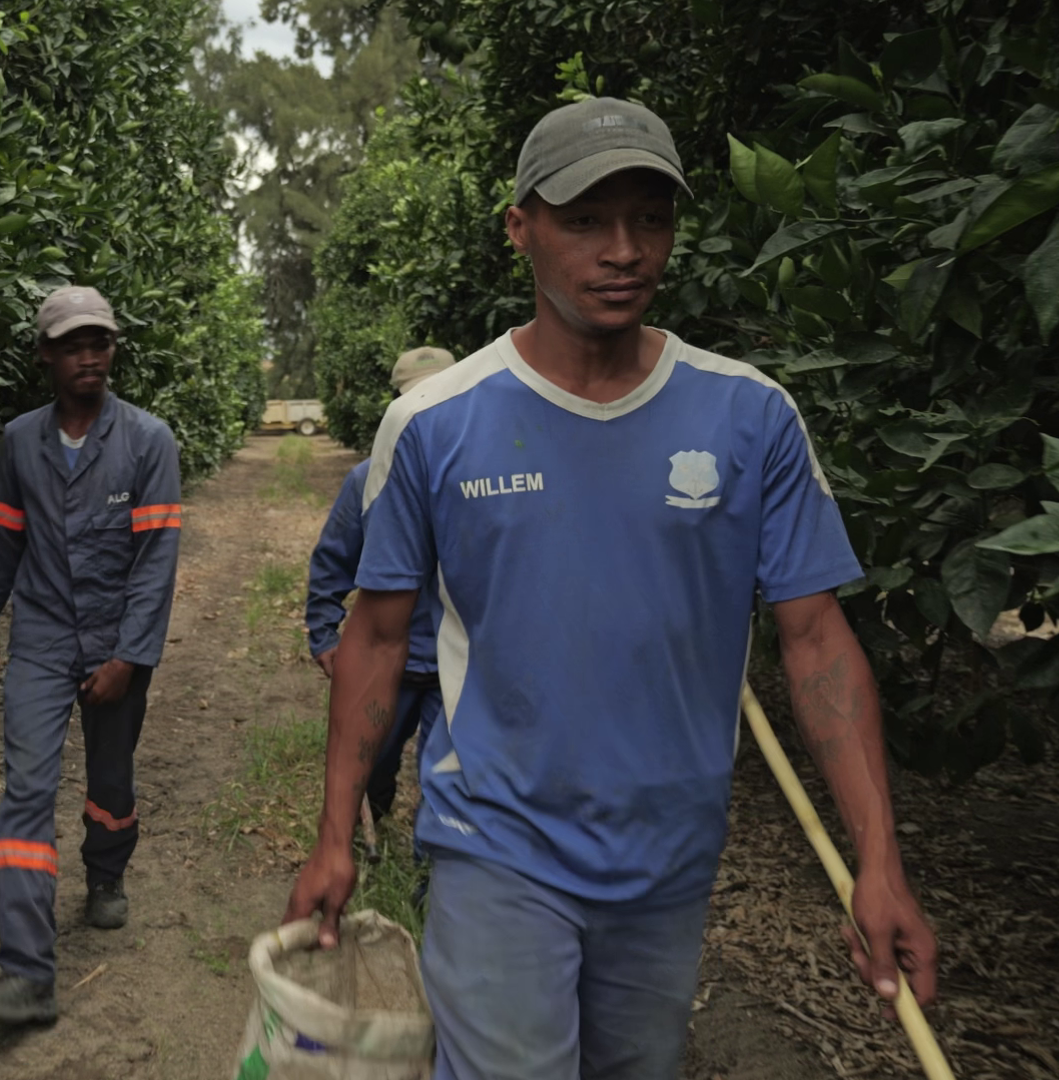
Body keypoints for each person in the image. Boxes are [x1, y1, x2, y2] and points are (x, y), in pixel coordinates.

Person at [284, 97, 939, 1080]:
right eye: (585, 219)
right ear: (521, 229)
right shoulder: (434, 425)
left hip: (671, 863)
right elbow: (376, 640)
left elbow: (814, 641)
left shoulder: (749, 418)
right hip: (496, 843)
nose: (624, 249)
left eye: (651, 218)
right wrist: (338, 835)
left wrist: (878, 861)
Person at [0, 285, 183, 1027]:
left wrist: (129, 654)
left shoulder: (149, 441)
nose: (90, 355)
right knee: (26, 788)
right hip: (44, 639)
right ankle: (26, 973)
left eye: (101, 342)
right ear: (45, 355)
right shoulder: (22, 442)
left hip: (118, 640)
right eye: (74, 344)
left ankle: (107, 874)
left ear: (114, 350)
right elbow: (0, 543)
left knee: (111, 779)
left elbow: (156, 562)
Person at [304, 349, 453, 852]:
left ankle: (432, 874)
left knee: (448, 784)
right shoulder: (367, 479)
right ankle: (365, 840)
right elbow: (332, 562)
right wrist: (325, 634)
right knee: (374, 769)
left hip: (454, 670)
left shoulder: (477, 480)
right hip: (387, 667)